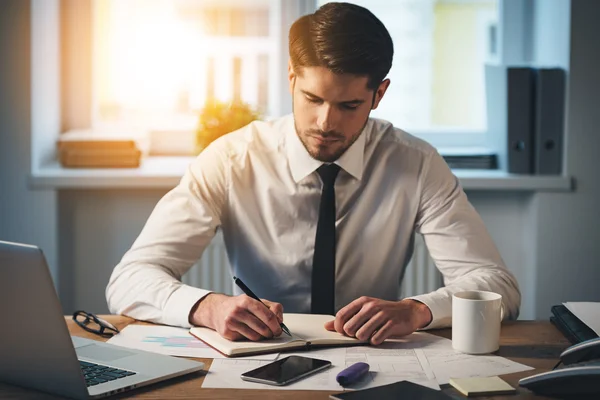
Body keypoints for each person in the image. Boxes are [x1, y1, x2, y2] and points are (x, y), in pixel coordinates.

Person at [106, 2, 520, 346]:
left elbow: (498, 286)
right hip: (258, 359)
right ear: (291, 77)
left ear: (379, 94)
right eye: (312, 98)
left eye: (348, 105)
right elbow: (130, 280)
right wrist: (208, 307)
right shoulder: (232, 160)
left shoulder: (416, 162)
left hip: (375, 358)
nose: (325, 122)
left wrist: (418, 309)